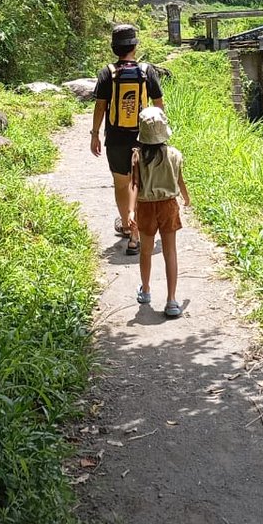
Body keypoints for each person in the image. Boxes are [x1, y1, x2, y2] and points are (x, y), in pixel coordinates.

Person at [90, 23, 163, 255]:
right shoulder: (146, 71)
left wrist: (94, 135)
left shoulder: (107, 72)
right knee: (139, 184)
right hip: (144, 138)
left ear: (114, 48)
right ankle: (136, 234)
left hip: (116, 139)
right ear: (135, 45)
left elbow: (100, 107)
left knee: (122, 184)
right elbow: (159, 105)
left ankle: (127, 224)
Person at [128, 106, 189, 318]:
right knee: (169, 251)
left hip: (145, 207)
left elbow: (134, 185)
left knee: (146, 250)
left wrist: (130, 211)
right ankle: (172, 300)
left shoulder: (138, 156)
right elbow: (179, 180)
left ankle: (145, 290)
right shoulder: (174, 155)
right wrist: (186, 197)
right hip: (168, 205)